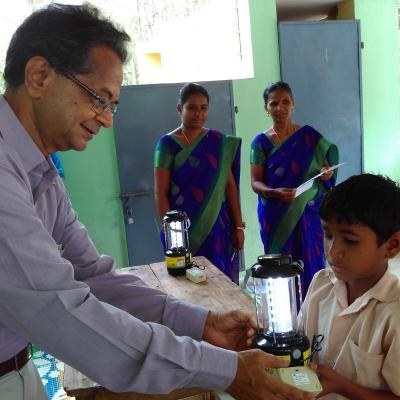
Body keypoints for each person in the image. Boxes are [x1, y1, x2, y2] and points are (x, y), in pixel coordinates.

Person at [0, 4, 315, 400]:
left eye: (112, 105)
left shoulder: (41, 172)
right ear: (39, 76)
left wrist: (202, 324)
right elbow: (62, 309)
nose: (107, 119)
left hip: (18, 369)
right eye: (99, 98)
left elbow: (93, 277)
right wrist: (226, 370)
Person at [299, 174, 400, 399]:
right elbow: (300, 342)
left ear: (392, 246)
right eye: (327, 235)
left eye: (350, 240)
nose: (333, 252)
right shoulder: (320, 284)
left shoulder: (394, 313)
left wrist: (343, 387)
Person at [250, 81, 338, 296]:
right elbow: (256, 182)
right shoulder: (260, 143)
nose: (280, 108)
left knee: (313, 264)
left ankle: (314, 308)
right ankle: (286, 316)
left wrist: (327, 172)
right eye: (273, 104)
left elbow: (327, 168)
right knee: (281, 268)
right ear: (266, 109)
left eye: (285, 102)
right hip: (276, 215)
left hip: (309, 212)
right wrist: (275, 193)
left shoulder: (309, 137)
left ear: (293, 104)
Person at [154, 83, 244, 284]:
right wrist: (173, 236)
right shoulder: (167, 145)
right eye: (192, 107)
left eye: (203, 108)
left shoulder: (217, 142)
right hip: (183, 228)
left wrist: (238, 227)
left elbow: (229, 186)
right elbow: (160, 193)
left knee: (222, 282)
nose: (198, 113)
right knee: (188, 283)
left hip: (218, 226)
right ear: (180, 109)